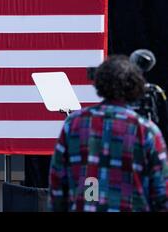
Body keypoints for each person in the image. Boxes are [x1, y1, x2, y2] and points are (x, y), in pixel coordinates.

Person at [49, 55, 168, 211]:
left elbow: (57, 184)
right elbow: (161, 193)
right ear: (135, 85)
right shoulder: (145, 130)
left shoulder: (75, 123)